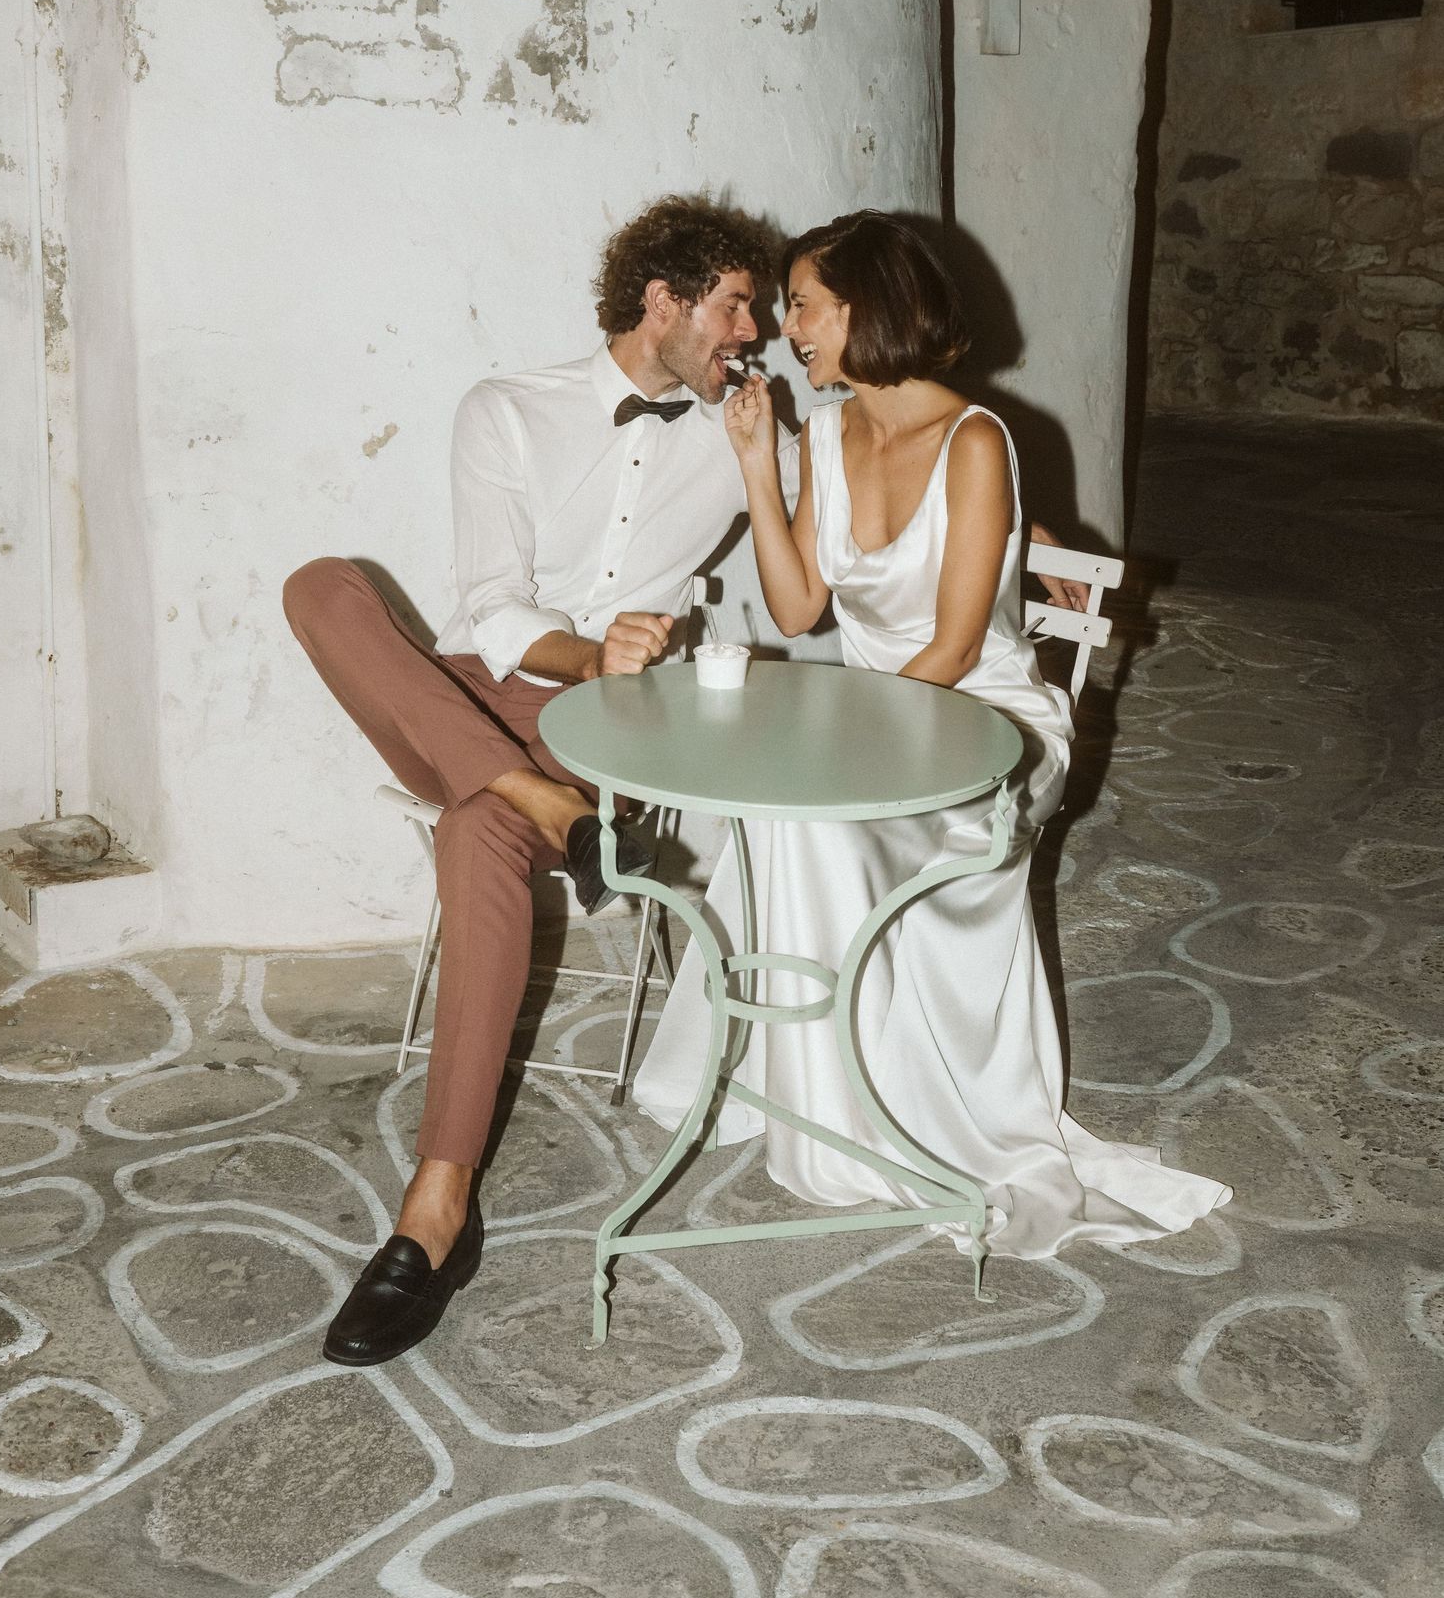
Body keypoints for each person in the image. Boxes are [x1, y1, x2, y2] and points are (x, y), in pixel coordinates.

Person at [635, 210, 1232, 1257]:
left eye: (805, 309)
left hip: (989, 721)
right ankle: (818, 1090)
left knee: (818, 814)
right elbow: (797, 611)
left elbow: (957, 651)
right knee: (773, 814)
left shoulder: (975, 442)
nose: (787, 332)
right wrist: (755, 471)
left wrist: (843, 754)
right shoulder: (823, 433)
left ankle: (894, 1100)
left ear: (869, 309)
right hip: (881, 708)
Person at [283, 193, 784, 1364]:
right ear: (662, 300)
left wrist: (1023, 552)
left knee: (473, 834)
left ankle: (436, 1209)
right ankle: (543, 806)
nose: (751, 332)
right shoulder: (505, 409)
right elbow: (495, 603)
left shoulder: (747, 429)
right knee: (321, 584)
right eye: (734, 305)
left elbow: (871, 512)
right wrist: (581, 647)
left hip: (602, 726)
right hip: (463, 696)